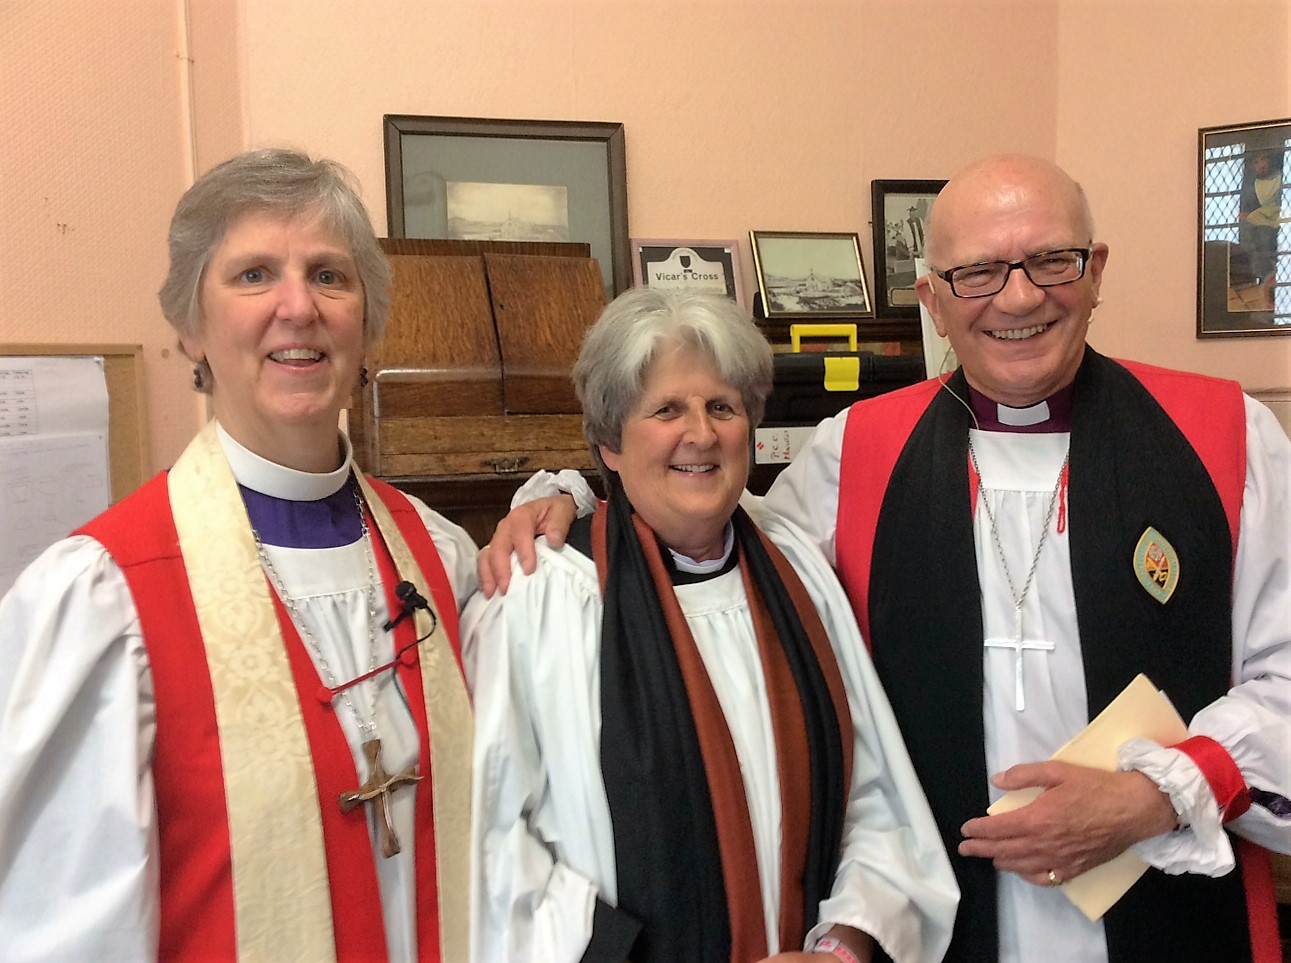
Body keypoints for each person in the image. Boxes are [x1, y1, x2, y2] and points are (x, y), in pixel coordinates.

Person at [479, 155, 1291, 963]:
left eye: (1051, 260)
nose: (1018, 297)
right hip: (940, 923)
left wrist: (1153, 795)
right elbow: (707, 520)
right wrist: (570, 495)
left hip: (1170, 899)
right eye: (977, 273)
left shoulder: (1225, 438)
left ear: (1096, 269)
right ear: (932, 300)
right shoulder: (857, 454)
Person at [0, 148, 478, 961]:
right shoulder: (107, 597)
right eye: (254, 275)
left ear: (367, 322)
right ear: (190, 328)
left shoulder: (441, 557)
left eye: (328, 275)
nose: (298, 306)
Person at [465, 289, 957, 963]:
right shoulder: (538, 595)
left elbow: (874, 797)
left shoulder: (797, 568)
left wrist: (843, 946)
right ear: (609, 442)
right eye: (666, 409)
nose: (700, 434)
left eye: (722, 407)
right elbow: (488, 840)